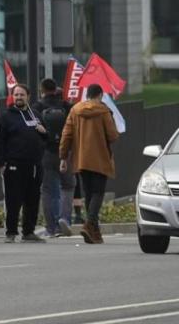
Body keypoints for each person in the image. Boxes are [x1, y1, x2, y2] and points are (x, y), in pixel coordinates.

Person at [59, 84, 120, 244]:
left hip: (81, 158)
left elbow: (66, 134)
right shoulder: (104, 111)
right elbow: (113, 136)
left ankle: (94, 233)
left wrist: (63, 156)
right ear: (100, 95)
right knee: (98, 193)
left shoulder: (75, 110)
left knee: (89, 193)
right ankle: (89, 224)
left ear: (88, 94)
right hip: (100, 157)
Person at [0, 84, 48, 243]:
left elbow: (46, 138)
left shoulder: (36, 114)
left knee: (32, 199)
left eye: (22, 95)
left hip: (34, 165)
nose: (19, 97)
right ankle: (11, 232)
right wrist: (1, 163)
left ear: (28, 96)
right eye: (16, 95)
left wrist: (43, 132)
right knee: (13, 200)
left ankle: (28, 232)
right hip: (14, 165)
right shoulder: (6, 116)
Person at [33, 78, 75, 237]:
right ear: (56, 90)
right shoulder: (66, 106)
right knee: (68, 186)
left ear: (41, 91)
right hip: (67, 152)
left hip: (46, 153)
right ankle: (65, 219)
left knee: (48, 190)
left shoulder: (37, 107)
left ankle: (51, 227)